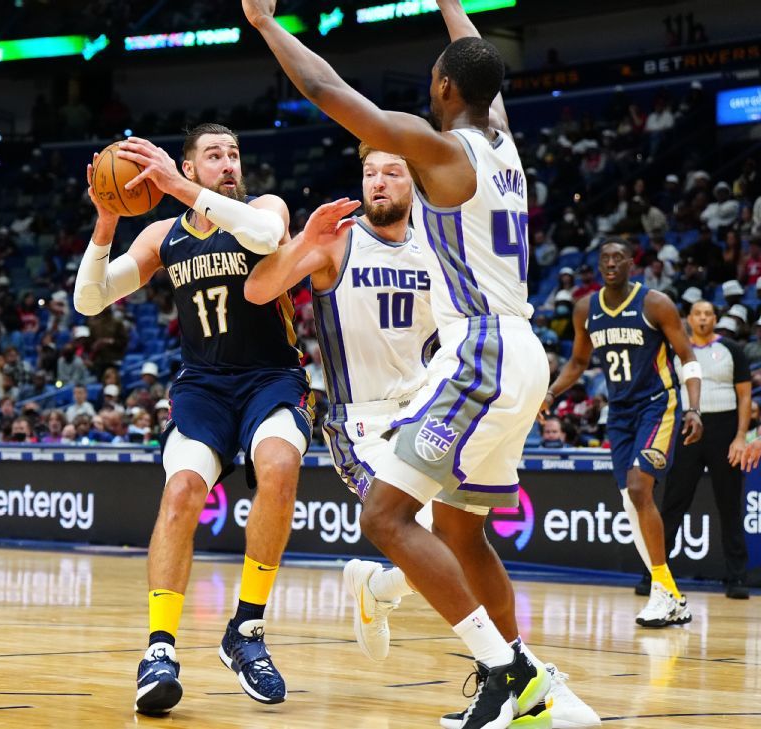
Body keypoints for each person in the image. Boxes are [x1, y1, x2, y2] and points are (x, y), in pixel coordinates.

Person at [243, 1, 552, 725]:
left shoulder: (443, 152)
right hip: (521, 354)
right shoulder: (503, 145)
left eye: (434, 80)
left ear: (444, 89)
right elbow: (481, 62)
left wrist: (265, 26)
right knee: (463, 533)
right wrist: (450, 4)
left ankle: (508, 670)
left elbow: (326, 91)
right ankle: (523, 684)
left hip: (480, 350)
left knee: (385, 517)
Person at [77, 123, 331, 713]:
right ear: (190, 168)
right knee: (183, 492)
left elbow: (269, 236)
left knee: (278, 463)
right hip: (204, 388)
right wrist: (108, 219)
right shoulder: (164, 235)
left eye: (233, 154)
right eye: (213, 155)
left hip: (272, 377)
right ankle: (158, 650)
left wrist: (177, 186)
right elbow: (90, 300)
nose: (228, 163)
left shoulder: (264, 209)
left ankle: (245, 631)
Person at [547, 238, 703, 627]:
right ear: (598, 266)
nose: (611, 263)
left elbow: (687, 356)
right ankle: (668, 593)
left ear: (632, 264)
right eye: (604, 259)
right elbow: (579, 361)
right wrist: (550, 391)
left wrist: (695, 407)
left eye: (619, 258)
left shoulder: (655, 304)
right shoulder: (587, 308)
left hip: (658, 404)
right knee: (631, 503)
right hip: (619, 413)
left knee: (639, 488)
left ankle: (662, 592)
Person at [664, 302, 750, 599]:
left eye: (708, 314)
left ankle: (736, 578)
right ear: (689, 319)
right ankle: (656, 577)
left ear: (715, 319)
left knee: (729, 505)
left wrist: (740, 436)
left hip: (725, 429)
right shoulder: (677, 350)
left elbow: (745, 395)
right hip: (687, 426)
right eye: (697, 313)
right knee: (674, 502)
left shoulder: (731, 349)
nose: (702, 318)